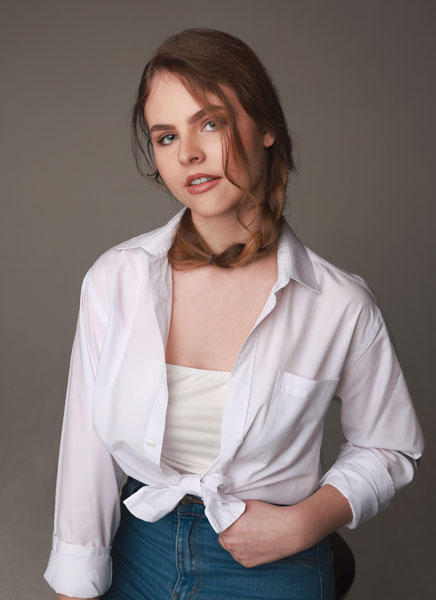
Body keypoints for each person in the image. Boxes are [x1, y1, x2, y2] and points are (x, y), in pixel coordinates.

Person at [43, 28, 425, 600]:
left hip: (271, 564)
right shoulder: (116, 280)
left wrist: (305, 522)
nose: (188, 154)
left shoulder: (339, 303)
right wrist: (77, 584)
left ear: (266, 127)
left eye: (211, 124)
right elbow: (87, 451)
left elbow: (389, 445)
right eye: (167, 136)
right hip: (136, 549)